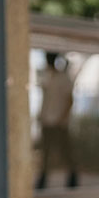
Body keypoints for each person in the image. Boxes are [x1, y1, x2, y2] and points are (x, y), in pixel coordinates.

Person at [36, 51, 78, 189]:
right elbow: (45, 100)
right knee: (46, 152)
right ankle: (43, 179)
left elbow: (69, 100)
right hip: (47, 120)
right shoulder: (47, 77)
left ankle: (73, 178)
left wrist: (62, 119)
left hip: (59, 122)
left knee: (65, 152)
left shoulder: (63, 78)